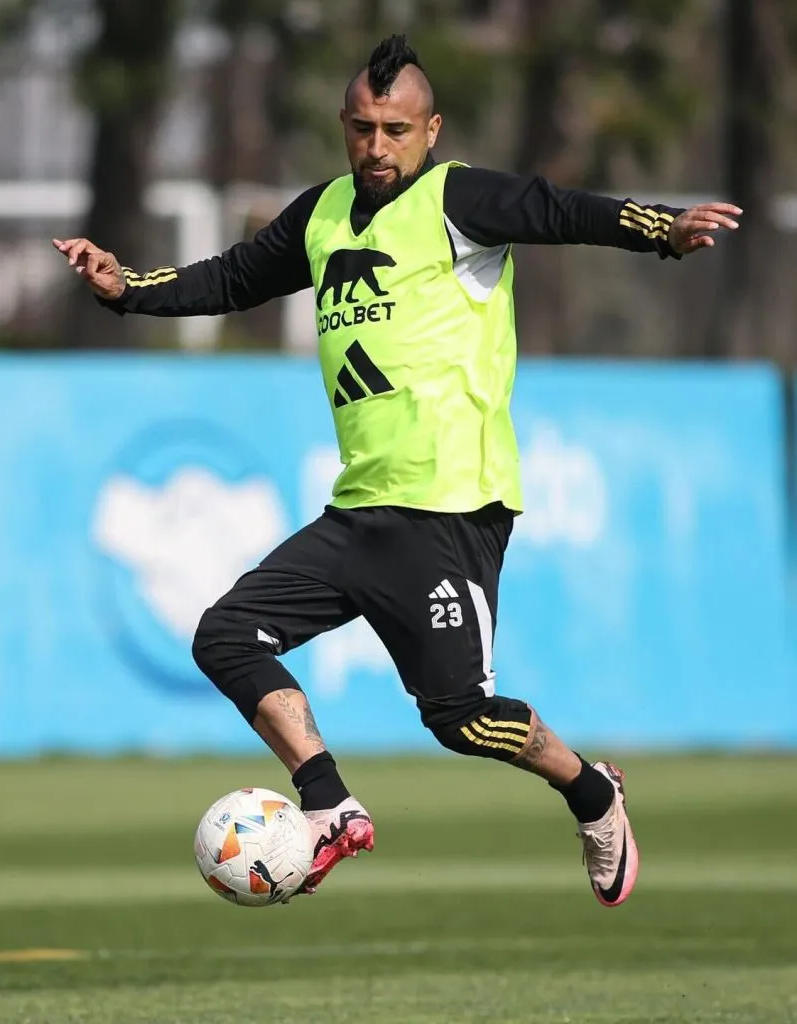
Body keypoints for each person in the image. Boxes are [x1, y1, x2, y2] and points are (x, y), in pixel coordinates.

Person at [54, 35, 741, 908]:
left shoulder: (458, 198)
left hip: (450, 508)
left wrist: (660, 232)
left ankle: (592, 793)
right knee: (225, 635)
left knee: (460, 721)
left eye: (394, 129)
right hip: (360, 511)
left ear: (431, 130)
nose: (376, 147)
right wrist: (127, 290)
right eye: (360, 128)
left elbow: (558, 210)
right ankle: (328, 802)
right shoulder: (324, 212)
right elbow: (229, 279)